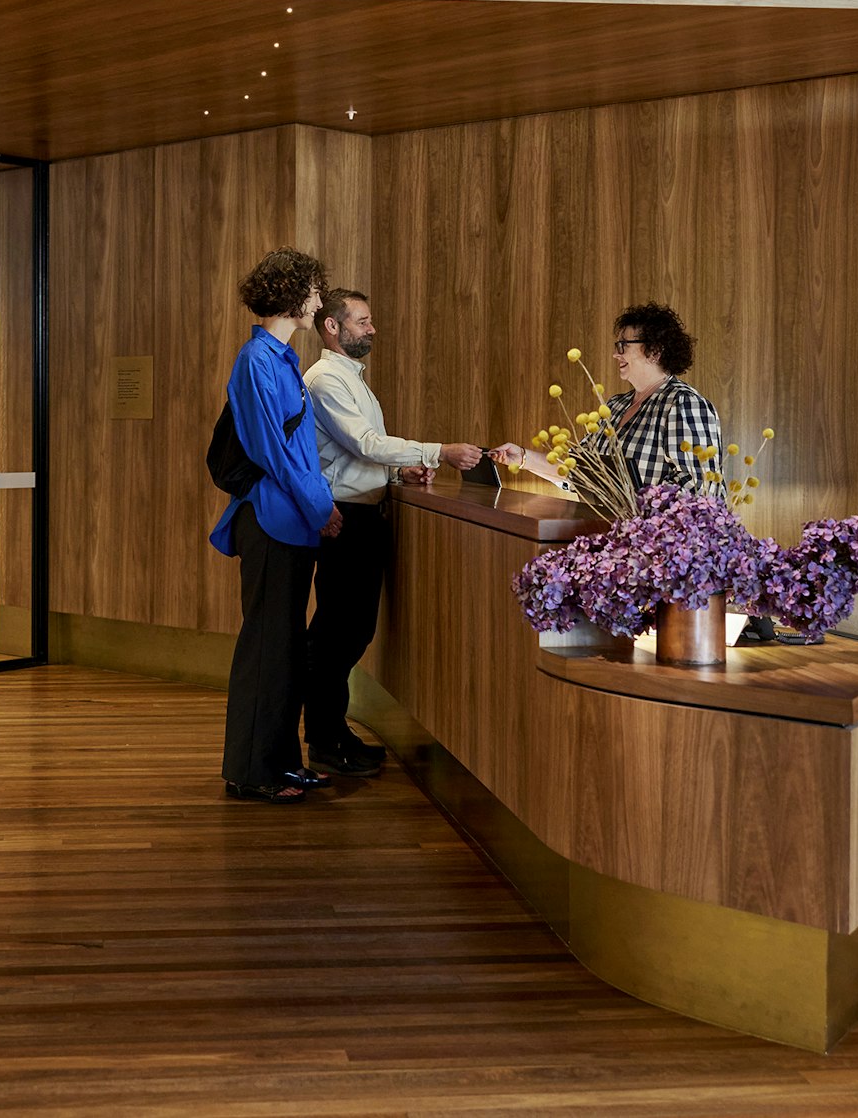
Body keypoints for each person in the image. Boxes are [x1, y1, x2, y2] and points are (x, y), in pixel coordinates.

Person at [304, 290, 483, 778]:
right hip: (344, 520)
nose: (372, 328)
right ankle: (322, 737)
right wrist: (437, 452)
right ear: (332, 328)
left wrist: (396, 476)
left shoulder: (353, 380)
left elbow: (357, 456)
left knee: (350, 630)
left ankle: (331, 731)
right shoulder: (324, 380)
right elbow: (365, 443)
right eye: (362, 321)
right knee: (338, 633)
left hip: (362, 515)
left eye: (370, 319)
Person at [210, 248, 342, 804]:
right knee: (267, 646)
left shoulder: (281, 358)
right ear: (291, 295)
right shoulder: (257, 359)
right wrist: (322, 507)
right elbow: (278, 453)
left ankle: (282, 763)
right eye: (313, 290)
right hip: (273, 521)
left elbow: (296, 451)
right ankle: (251, 770)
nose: (318, 300)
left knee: (284, 646)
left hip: (290, 522)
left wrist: (315, 507)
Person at [493, 302, 721, 492]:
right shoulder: (615, 406)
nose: (615, 354)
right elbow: (580, 471)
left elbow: (699, 492)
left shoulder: (683, 404)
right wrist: (522, 458)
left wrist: (632, 509)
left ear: (654, 351)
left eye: (623, 345)